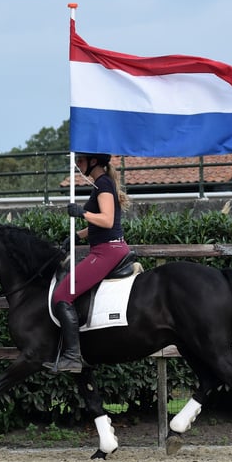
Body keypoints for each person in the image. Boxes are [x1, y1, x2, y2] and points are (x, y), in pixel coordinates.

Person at [43, 152, 131, 373]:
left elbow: (107, 219)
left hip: (106, 251)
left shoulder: (102, 184)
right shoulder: (103, 184)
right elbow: (103, 224)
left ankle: (72, 356)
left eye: (80, 161)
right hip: (108, 247)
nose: (77, 165)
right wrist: (78, 236)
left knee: (62, 295)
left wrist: (82, 213)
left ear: (93, 162)